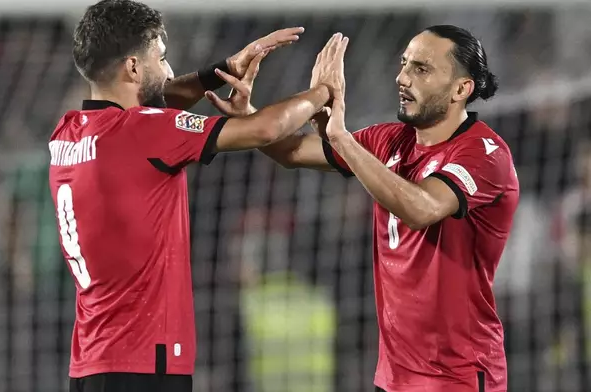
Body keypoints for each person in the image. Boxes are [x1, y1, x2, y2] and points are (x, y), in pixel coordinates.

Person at [48, 1, 348, 391]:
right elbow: (264, 130)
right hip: (143, 364)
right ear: (134, 68)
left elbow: (156, 103)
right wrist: (324, 91)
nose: (169, 69)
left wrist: (220, 72)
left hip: (92, 361)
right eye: (162, 57)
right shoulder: (143, 131)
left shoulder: (68, 132)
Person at [210, 25, 519, 392]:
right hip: (394, 374)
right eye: (404, 64)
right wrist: (247, 115)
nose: (402, 78)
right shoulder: (388, 139)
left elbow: (422, 208)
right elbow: (293, 152)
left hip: (459, 375)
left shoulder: (484, 154)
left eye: (421, 69)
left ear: (461, 89)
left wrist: (340, 136)